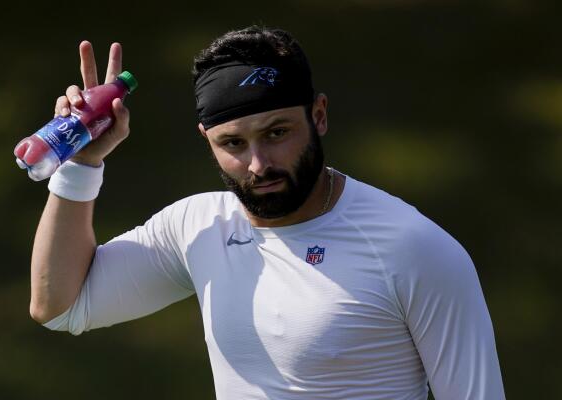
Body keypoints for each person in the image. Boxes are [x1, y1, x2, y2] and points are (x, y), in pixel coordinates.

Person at [29, 26, 506, 399]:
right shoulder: (198, 227)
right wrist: (82, 165)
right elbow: (60, 307)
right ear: (208, 141)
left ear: (318, 116)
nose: (258, 164)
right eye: (233, 143)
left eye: (277, 132)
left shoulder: (414, 248)